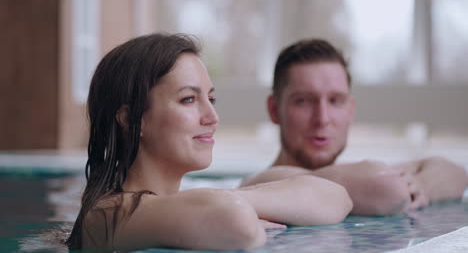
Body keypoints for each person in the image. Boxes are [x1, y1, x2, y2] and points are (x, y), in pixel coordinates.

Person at [66, 33, 353, 251]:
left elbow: (337, 198)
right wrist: (233, 206)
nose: (212, 116)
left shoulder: (187, 206)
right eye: (189, 99)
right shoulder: (104, 216)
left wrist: (229, 199)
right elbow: (237, 225)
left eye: (211, 99)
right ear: (131, 120)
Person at [240, 39, 468, 216]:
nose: (322, 119)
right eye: (303, 101)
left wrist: (421, 185)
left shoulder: (356, 181)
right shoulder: (260, 185)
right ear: (274, 109)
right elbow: (387, 188)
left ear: (350, 110)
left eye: (335, 101)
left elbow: (456, 172)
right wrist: (402, 183)